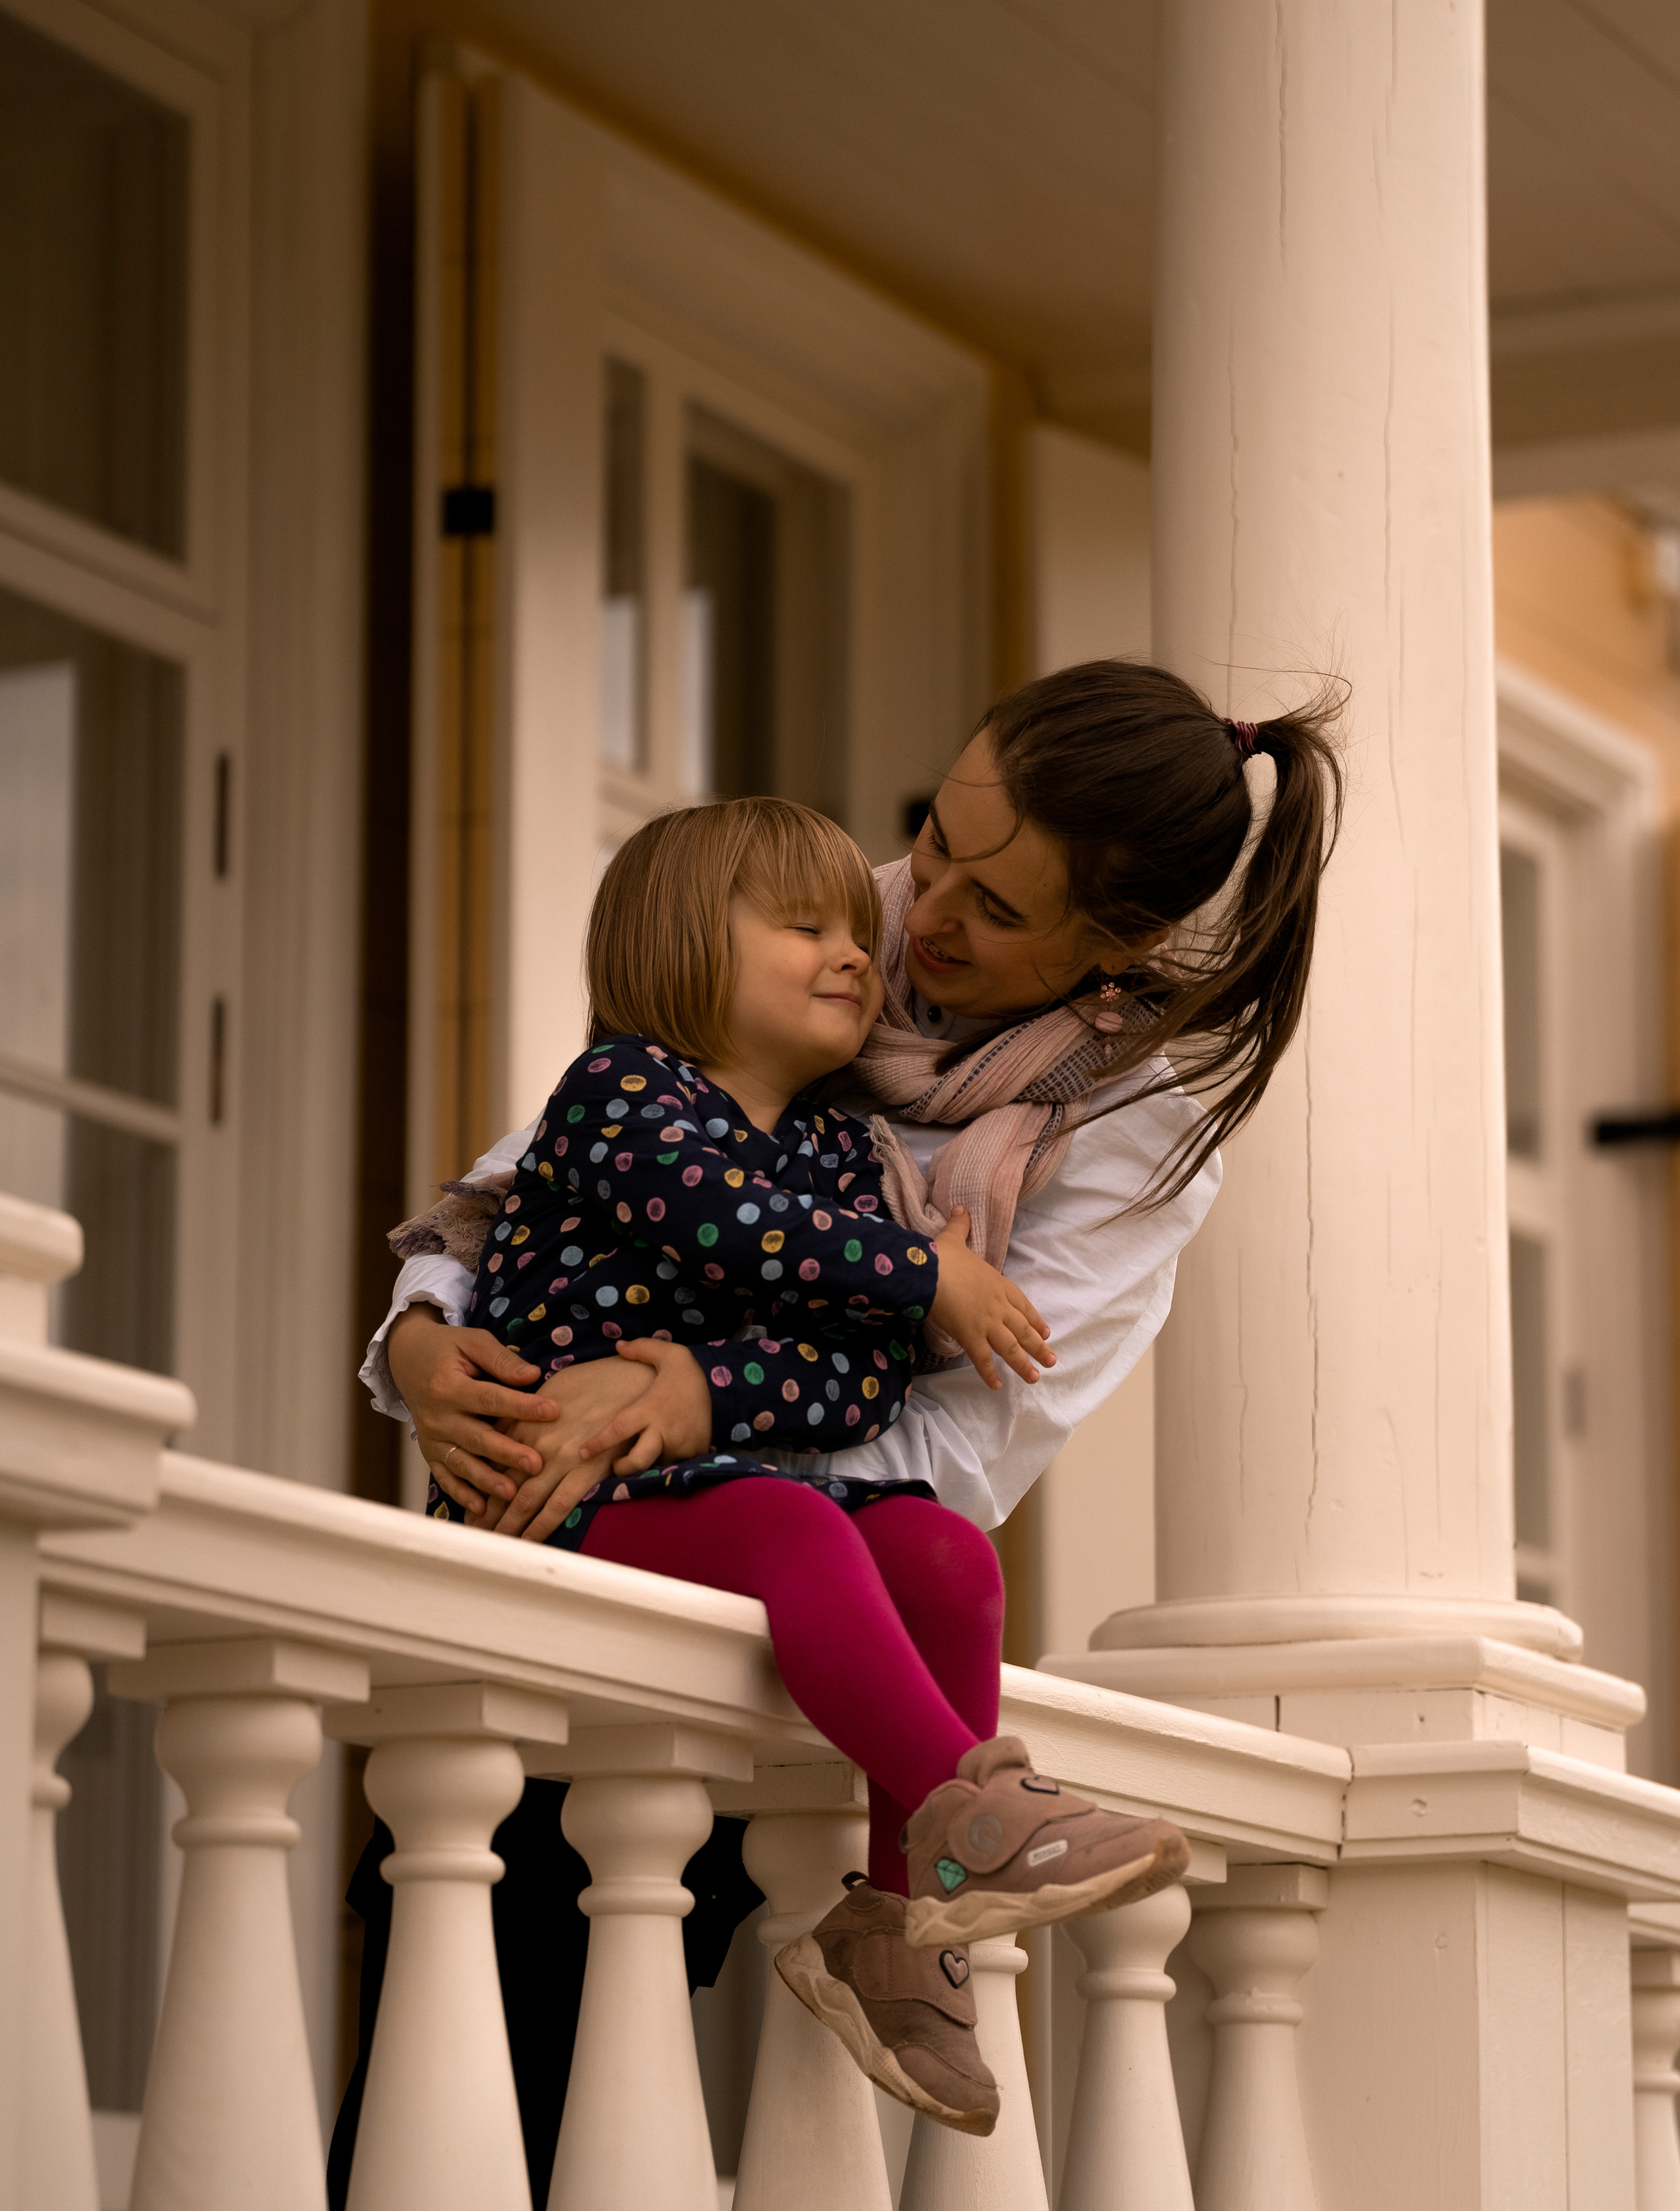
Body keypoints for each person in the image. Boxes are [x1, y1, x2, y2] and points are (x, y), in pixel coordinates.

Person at [339, 661, 1342, 2193]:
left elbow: (956, 1435)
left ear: (1116, 948)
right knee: (481, 2028)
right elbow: (545, 1164)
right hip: (600, 1536)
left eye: (995, 911)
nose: (913, 918)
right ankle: (970, 1817)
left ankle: (913, 1898)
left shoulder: (1127, 1122)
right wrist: (420, 1341)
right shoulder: (826, 929)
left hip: (772, 1581)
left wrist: (698, 1393)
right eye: (931, 838)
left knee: (920, 1578)